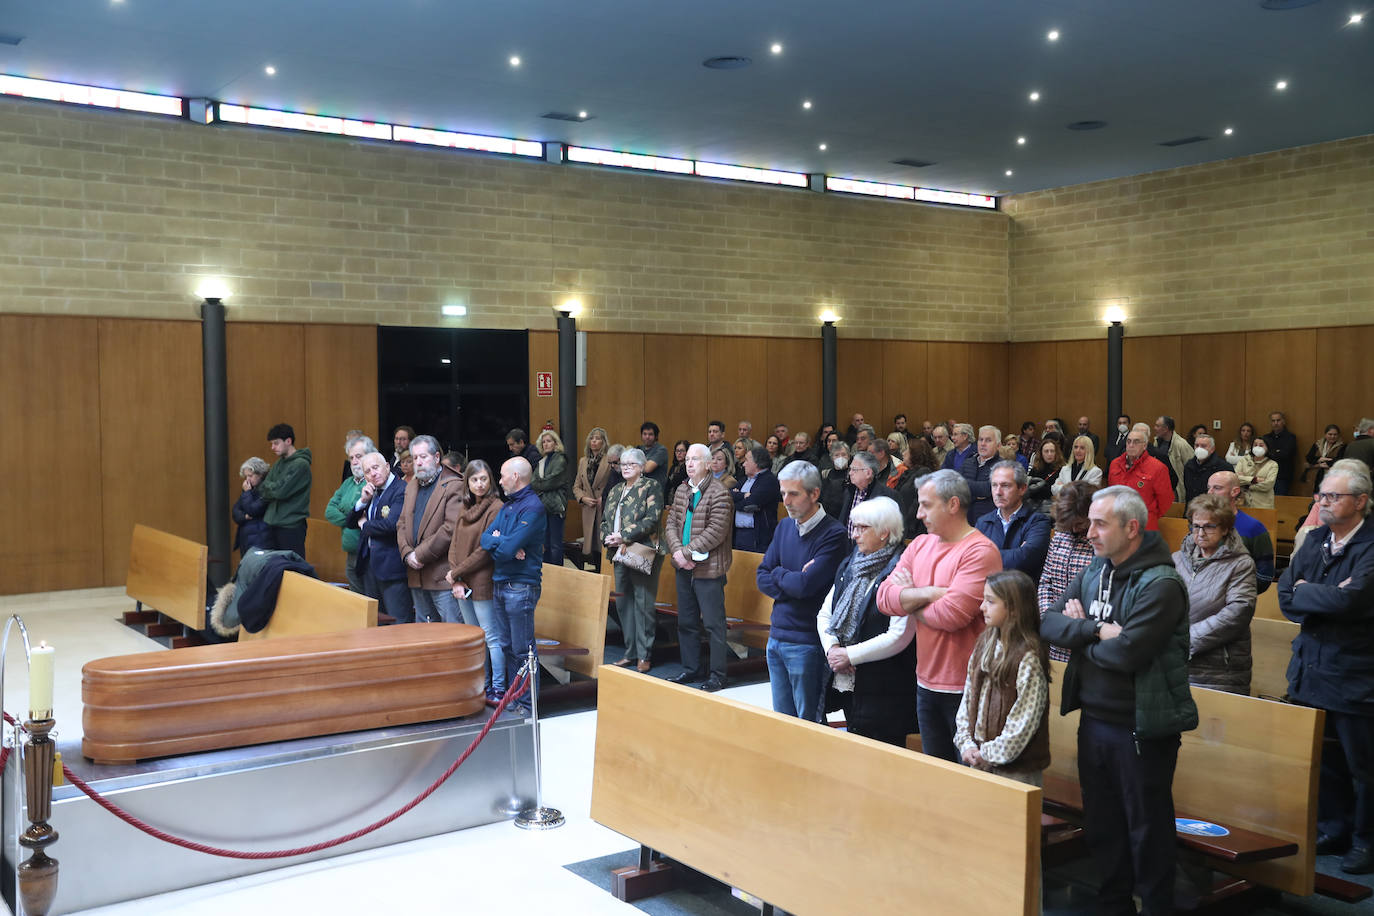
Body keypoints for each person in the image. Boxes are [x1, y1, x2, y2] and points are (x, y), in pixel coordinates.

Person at [1040, 485, 1198, 916]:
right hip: (1094, 718)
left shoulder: (1161, 584)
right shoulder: (1095, 567)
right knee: (1104, 827)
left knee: (1147, 830)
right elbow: (1050, 621)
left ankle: (1156, 907)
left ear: (1131, 528)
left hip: (1141, 726)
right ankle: (1113, 905)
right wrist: (1094, 630)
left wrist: (1082, 635)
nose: (1088, 532)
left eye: (1099, 523)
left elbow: (1128, 653)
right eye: (1089, 521)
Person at [1279, 464, 1374, 874]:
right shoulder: (1316, 538)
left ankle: (1365, 840)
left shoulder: (1371, 545)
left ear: (1360, 501)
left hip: (1357, 674)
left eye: (1333, 496)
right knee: (1326, 760)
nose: (1324, 502)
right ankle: (1334, 826)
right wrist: (1321, 594)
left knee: (1364, 766)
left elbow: (1352, 602)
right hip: (1312, 670)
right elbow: (1285, 593)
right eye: (1322, 495)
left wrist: (1311, 594)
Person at [876, 470, 1002, 762]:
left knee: (969, 788)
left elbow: (951, 616)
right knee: (939, 782)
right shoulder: (920, 544)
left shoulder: (980, 551)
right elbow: (882, 598)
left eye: (926, 505)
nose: (918, 514)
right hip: (924, 682)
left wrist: (907, 600)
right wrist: (931, 592)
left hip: (968, 688)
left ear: (953, 505)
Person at [817, 496, 915, 746]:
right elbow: (825, 614)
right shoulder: (851, 564)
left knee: (884, 755)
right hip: (849, 679)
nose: (854, 534)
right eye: (854, 526)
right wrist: (834, 649)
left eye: (862, 528)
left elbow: (898, 635)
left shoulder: (901, 570)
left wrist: (851, 655)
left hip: (886, 685)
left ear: (884, 533)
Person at [757, 461, 849, 722]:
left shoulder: (834, 534)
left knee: (807, 723)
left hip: (807, 641)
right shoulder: (785, 526)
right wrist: (790, 577)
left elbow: (806, 586)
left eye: (793, 493)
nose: (786, 500)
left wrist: (780, 574)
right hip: (776, 635)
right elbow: (762, 576)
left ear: (814, 494)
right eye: (783, 493)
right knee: (783, 722)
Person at [955, 569, 1051, 786]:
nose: (982, 607)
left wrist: (986, 754)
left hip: (1016, 772)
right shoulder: (984, 644)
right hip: (979, 761)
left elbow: (1022, 724)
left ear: (1014, 609)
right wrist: (966, 744)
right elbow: (968, 700)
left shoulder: (1028, 657)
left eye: (990, 601)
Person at [480, 457, 547, 714]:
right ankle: (515, 698)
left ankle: (528, 705)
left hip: (521, 586)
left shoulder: (533, 507)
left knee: (523, 650)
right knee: (507, 647)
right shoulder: (508, 508)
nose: (499, 480)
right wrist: (504, 545)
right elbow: (486, 540)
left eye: (502, 475)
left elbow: (503, 547)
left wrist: (503, 544)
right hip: (501, 583)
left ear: (516, 477)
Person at [664, 444, 734, 691]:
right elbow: (671, 523)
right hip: (683, 566)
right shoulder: (683, 490)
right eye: (688, 459)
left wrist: (684, 552)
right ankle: (691, 669)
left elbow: (716, 531)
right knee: (686, 622)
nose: (689, 463)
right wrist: (677, 552)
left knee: (714, 624)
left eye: (695, 459)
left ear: (708, 464)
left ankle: (718, 674)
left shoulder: (720, 493)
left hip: (709, 569)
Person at [1172, 494, 1256, 695]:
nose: (1200, 533)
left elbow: (1238, 612)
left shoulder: (1240, 563)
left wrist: (1186, 640)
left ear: (1225, 528)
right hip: (1175, 663)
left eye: (1209, 526)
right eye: (1195, 525)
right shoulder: (1177, 559)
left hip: (1219, 670)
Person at [602, 447, 666, 674]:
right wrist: (607, 537)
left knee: (643, 603)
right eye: (624, 464)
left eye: (632, 464)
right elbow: (605, 519)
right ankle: (630, 652)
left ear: (641, 467)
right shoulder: (616, 489)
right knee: (623, 603)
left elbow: (652, 519)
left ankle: (644, 654)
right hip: (618, 552)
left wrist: (624, 535)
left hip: (641, 550)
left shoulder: (651, 486)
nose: (626, 467)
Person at [446, 459, 504, 701]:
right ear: (467, 483)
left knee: (490, 637)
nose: (479, 484)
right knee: (473, 636)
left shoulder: (496, 507)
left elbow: (485, 550)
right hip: (462, 581)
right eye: (474, 479)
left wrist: (456, 572)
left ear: (490, 481)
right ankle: (482, 683)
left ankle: (498, 688)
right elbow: (454, 545)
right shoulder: (465, 508)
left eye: (483, 479)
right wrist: (456, 578)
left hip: (481, 580)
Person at [397, 435, 465, 624]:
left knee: (451, 633)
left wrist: (419, 555)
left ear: (436, 458)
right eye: (415, 458)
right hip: (415, 574)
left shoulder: (454, 485)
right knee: (425, 635)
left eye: (423, 457)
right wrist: (407, 553)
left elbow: (450, 529)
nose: (418, 462)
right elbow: (401, 523)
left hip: (441, 576)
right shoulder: (411, 486)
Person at [1037, 480, 1099, 663]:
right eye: (1068, 523)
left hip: (1088, 640)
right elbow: (1046, 581)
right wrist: (1049, 617)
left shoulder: (1101, 545)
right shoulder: (1060, 536)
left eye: (1079, 523)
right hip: (1055, 638)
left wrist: (1080, 625)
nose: (1073, 529)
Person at [347, 451, 412, 623]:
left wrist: (364, 525)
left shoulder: (401, 489)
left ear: (387, 466)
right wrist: (362, 500)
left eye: (376, 468)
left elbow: (391, 525)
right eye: (367, 471)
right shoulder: (372, 491)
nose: (373, 474)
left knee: (398, 621)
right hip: (370, 566)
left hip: (392, 568)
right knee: (377, 621)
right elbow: (349, 521)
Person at [976, 461, 1052, 582]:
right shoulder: (983, 522)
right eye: (994, 485)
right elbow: (973, 562)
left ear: (1022, 489)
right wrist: (1016, 553)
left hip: (1021, 596)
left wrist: (986, 557)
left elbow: (1025, 560)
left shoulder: (1038, 522)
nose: (998, 492)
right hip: (988, 594)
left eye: (1005, 485)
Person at [1207, 470, 1277, 594]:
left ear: (1235, 491)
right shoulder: (1199, 525)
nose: (1210, 492)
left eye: (1217, 488)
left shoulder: (1253, 527)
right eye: (1209, 488)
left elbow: (1265, 575)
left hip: (1236, 597)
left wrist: (1236, 591)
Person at [326, 435, 373, 593]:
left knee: (372, 600)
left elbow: (359, 508)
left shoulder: (373, 483)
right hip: (350, 551)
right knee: (355, 599)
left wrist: (347, 511)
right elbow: (329, 511)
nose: (354, 461)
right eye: (351, 457)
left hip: (368, 553)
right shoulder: (348, 483)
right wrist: (352, 519)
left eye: (358, 456)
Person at [259, 423, 312, 557]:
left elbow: (280, 492)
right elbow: (262, 488)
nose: (273, 448)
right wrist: (273, 487)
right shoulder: (278, 463)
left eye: (276, 443)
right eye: (272, 444)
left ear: (288, 441)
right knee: (274, 568)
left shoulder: (301, 465)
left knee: (293, 568)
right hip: (272, 523)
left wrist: (272, 487)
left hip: (291, 525)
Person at [1108, 423, 1173, 529]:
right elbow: (1111, 494)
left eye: (1136, 442)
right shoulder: (1115, 464)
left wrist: (1149, 515)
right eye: (1129, 441)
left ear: (1145, 445)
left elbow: (1165, 501)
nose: (1131, 445)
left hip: (1144, 525)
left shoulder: (1158, 467)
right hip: (1119, 524)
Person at [572, 427, 614, 571]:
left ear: (604, 442)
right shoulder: (583, 461)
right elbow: (576, 486)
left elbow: (615, 483)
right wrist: (583, 498)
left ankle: (604, 574)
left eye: (597, 438)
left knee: (603, 542)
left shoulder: (609, 460)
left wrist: (606, 497)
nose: (594, 441)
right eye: (592, 438)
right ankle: (596, 572)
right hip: (589, 507)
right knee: (592, 545)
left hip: (604, 506)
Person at [530, 428, 572, 566]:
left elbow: (552, 481)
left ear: (556, 443)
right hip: (542, 507)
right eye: (543, 442)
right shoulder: (542, 461)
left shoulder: (560, 459)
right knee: (545, 544)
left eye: (549, 441)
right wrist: (541, 484)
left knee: (556, 545)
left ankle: (558, 576)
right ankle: (547, 574)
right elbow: (533, 482)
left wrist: (540, 484)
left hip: (555, 506)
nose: (546, 444)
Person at [837, 449, 898, 536]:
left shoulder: (887, 496)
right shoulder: (848, 491)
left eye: (854, 469)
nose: (850, 473)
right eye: (850, 469)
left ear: (868, 473)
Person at [731, 445, 781, 553]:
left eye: (747, 460)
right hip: (738, 534)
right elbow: (728, 495)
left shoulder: (769, 481)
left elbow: (751, 504)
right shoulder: (744, 480)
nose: (743, 464)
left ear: (756, 463)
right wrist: (743, 495)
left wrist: (735, 501)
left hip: (757, 536)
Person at [959, 425, 1001, 522]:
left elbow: (987, 489)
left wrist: (965, 484)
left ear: (998, 445)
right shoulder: (968, 462)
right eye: (980, 439)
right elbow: (956, 485)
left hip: (988, 518)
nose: (983, 444)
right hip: (965, 516)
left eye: (988, 440)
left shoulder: (1002, 466)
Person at [233, 457, 272, 558]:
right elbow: (235, 511)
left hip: (261, 537)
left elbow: (253, 510)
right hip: (248, 537)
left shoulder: (267, 490)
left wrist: (247, 493)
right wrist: (245, 516)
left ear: (260, 474)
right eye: (246, 476)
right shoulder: (250, 490)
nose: (247, 480)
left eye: (250, 476)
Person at [1182, 433, 1231, 504]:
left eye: (1203, 446)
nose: (1199, 448)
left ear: (1212, 449)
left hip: (1214, 508)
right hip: (1193, 507)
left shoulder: (1223, 467)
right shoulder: (1189, 465)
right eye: (1197, 445)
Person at [1153, 415, 1192, 502]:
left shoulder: (1181, 445)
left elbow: (1191, 467)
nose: (1154, 428)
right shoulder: (1157, 441)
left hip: (1176, 488)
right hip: (1160, 485)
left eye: (1157, 426)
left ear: (1166, 428)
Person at [1264, 411, 1300, 496]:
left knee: (1280, 501)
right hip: (1266, 475)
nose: (1275, 423)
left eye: (1278, 420)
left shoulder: (1290, 437)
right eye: (1273, 421)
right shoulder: (1266, 437)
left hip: (1282, 476)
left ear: (1283, 421)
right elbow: (1262, 455)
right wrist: (1277, 452)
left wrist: (1270, 452)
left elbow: (1285, 454)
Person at [1234, 439, 1277, 509]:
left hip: (1263, 504)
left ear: (1267, 448)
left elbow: (1268, 485)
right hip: (1244, 503)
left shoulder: (1272, 464)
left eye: (1261, 445)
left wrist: (1245, 484)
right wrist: (1254, 480)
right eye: (1255, 445)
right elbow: (1235, 479)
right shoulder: (1243, 460)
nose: (1258, 447)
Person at [1304, 424, 1346, 490]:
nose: (1332, 436)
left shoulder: (1342, 446)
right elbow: (1309, 458)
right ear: (1325, 434)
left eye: (1335, 434)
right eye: (1330, 434)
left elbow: (1339, 460)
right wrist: (1320, 459)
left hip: (1332, 477)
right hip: (1315, 476)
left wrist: (1326, 463)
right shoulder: (1318, 444)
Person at [1027, 438, 1064, 503]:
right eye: (1046, 451)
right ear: (1041, 453)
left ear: (1056, 453)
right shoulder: (1035, 469)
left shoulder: (1062, 470)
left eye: (1052, 451)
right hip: (1034, 504)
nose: (1049, 454)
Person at [821, 441, 852, 518]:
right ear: (832, 458)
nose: (840, 458)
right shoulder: (825, 474)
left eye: (843, 454)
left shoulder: (853, 474)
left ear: (848, 456)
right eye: (837, 455)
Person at [639, 421, 669, 491]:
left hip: (655, 491)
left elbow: (647, 468)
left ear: (656, 436)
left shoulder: (661, 450)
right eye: (645, 434)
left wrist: (634, 466)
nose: (647, 437)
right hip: (641, 490)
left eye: (650, 434)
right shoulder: (639, 449)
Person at [664, 438, 691, 502]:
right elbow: (668, 486)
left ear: (687, 452)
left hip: (682, 500)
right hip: (670, 501)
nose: (679, 453)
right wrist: (666, 503)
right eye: (677, 451)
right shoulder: (673, 467)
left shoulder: (689, 468)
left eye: (682, 451)